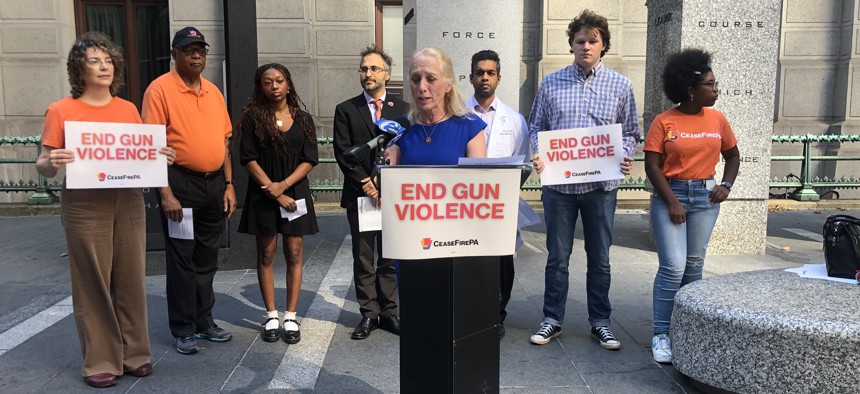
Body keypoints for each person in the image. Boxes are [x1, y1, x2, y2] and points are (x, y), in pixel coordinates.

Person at [35, 32, 175, 388]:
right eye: (94, 60)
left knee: (131, 276)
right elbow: (43, 165)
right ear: (78, 68)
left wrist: (159, 156)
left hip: (127, 197)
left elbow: (138, 153)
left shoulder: (127, 109)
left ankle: (135, 353)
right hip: (84, 202)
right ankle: (100, 359)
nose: (104, 67)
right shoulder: (61, 110)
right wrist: (52, 160)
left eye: (108, 60)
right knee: (92, 279)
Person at [528, 10, 639, 350]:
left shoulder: (621, 85)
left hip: (601, 189)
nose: (586, 46)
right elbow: (536, 128)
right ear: (571, 45)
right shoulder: (551, 83)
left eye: (593, 41)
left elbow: (631, 132)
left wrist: (625, 154)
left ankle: (601, 322)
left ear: (603, 45)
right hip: (560, 189)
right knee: (557, 257)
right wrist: (538, 152)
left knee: (600, 257)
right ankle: (552, 319)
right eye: (580, 41)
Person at [141, 27, 236, 355]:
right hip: (179, 182)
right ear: (174, 54)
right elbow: (152, 147)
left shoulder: (213, 91)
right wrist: (165, 193)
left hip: (213, 185)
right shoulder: (159, 91)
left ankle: (204, 320)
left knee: (207, 257)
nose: (196, 55)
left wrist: (229, 184)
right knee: (182, 257)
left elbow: (224, 141)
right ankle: (183, 327)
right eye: (188, 50)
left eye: (200, 50)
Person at [645, 48, 739, 364]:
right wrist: (672, 201)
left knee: (694, 265)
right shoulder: (664, 121)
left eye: (715, 84)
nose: (716, 89)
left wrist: (725, 185)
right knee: (672, 266)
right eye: (710, 84)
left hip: (705, 198)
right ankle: (661, 334)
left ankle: (686, 329)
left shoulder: (718, 119)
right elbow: (652, 166)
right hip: (670, 196)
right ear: (690, 89)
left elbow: (733, 156)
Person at [237, 63, 319, 344]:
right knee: (266, 253)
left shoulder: (304, 119)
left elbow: (310, 159)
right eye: (268, 82)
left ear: (288, 84)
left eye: (279, 80)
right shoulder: (252, 118)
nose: (274, 86)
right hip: (262, 194)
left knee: (294, 253)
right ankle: (271, 313)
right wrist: (273, 191)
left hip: (295, 193)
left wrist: (283, 187)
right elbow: (248, 158)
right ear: (260, 87)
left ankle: (291, 315)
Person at [333, 46, 408, 340]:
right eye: (364, 69)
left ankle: (389, 312)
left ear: (387, 75)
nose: (368, 74)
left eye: (374, 69)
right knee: (363, 257)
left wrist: (388, 188)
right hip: (361, 194)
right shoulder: (346, 109)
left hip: (394, 197)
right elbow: (342, 152)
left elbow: (407, 148)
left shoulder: (402, 110)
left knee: (389, 256)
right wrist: (367, 184)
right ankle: (369, 314)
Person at [465, 49, 529, 339]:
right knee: (469, 260)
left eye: (490, 72)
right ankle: (471, 311)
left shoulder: (515, 120)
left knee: (503, 262)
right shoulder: (457, 116)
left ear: (499, 78)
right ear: (471, 77)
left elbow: (522, 160)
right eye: (480, 72)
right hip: (465, 205)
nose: (485, 77)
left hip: (500, 205)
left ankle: (496, 315)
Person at [388, 46, 487, 164]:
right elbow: (389, 178)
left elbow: (477, 179)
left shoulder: (470, 127)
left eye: (431, 79)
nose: (422, 87)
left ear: (448, 84)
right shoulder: (399, 129)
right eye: (415, 79)